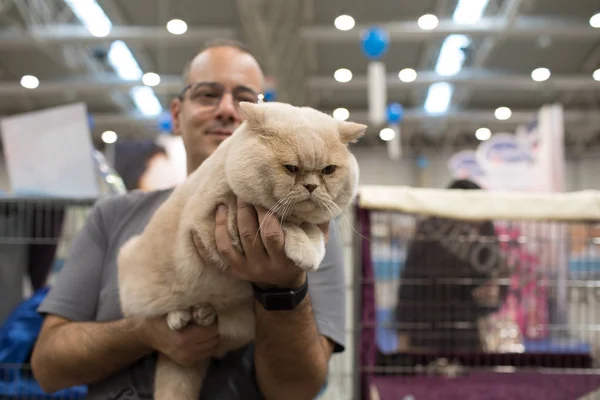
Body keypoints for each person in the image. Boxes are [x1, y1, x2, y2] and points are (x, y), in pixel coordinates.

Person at [30, 39, 346, 400]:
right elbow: (47, 367)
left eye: (247, 99)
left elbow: (298, 390)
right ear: (177, 114)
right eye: (208, 95)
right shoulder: (112, 215)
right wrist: (144, 333)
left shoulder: (311, 226)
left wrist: (283, 289)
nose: (229, 110)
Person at [395, 178, 509, 354]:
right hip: (426, 332)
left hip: (468, 336)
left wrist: (492, 297)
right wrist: (403, 334)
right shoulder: (430, 234)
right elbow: (409, 287)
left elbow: (498, 288)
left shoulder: (486, 239)